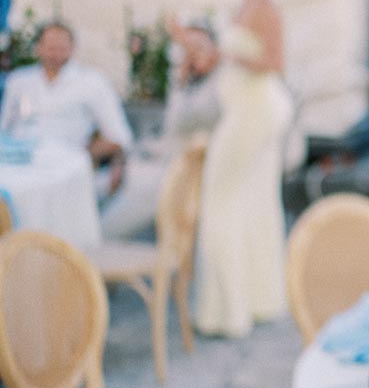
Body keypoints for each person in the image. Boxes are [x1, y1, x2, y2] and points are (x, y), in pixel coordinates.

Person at [195, 0, 293, 338]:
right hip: (246, 108)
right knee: (251, 198)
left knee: (220, 197)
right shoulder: (247, 3)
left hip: (255, 112)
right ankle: (252, 302)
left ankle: (226, 311)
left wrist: (224, 55)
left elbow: (274, 61)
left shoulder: (264, 6)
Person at [100, 23, 223, 240]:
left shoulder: (218, 88)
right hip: (148, 164)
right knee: (89, 189)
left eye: (198, 47)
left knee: (106, 229)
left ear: (216, 51)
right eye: (186, 48)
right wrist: (123, 159)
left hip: (174, 179)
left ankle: (89, 253)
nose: (191, 54)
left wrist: (179, 80)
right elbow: (164, 133)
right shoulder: (189, 83)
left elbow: (183, 122)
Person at [0, 21, 134, 176]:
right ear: (38, 48)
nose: (55, 54)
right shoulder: (18, 80)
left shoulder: (92, 82)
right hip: (18, 165)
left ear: (72, 48)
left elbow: (120, 138)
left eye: (61, 48)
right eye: (50, 48)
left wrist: (80, 156)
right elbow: (4, 130)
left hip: (65, 168)